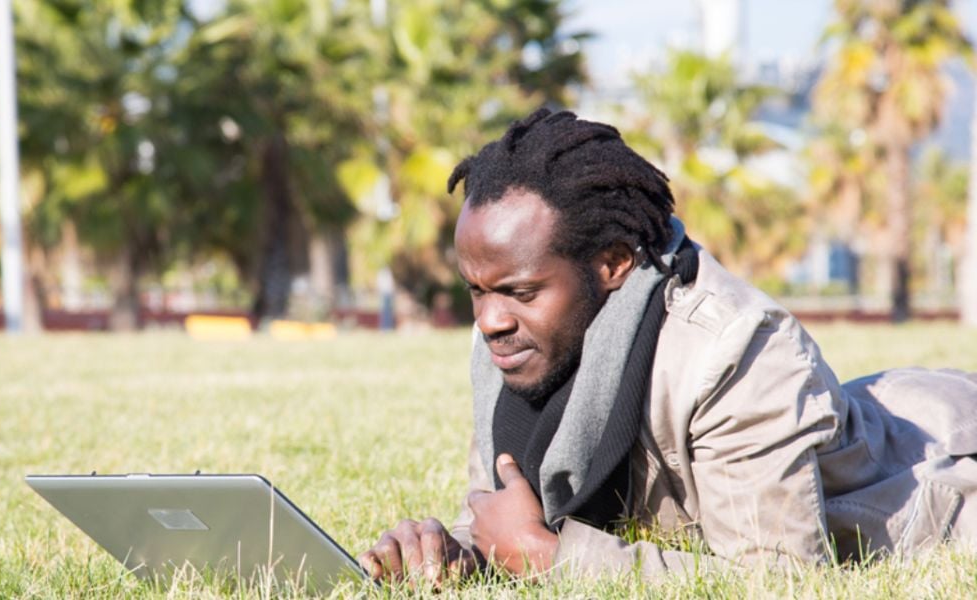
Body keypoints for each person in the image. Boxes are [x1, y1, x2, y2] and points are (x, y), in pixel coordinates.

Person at [357, 108, 977, 584]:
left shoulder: (736, 353)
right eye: (476, 290)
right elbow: (508, 519)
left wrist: (552, 557)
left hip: (944, 457)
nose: (490, 319)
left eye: (518, 290)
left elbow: (777, 578)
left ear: (614, 263)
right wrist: (450, 549)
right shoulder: (517, 337)